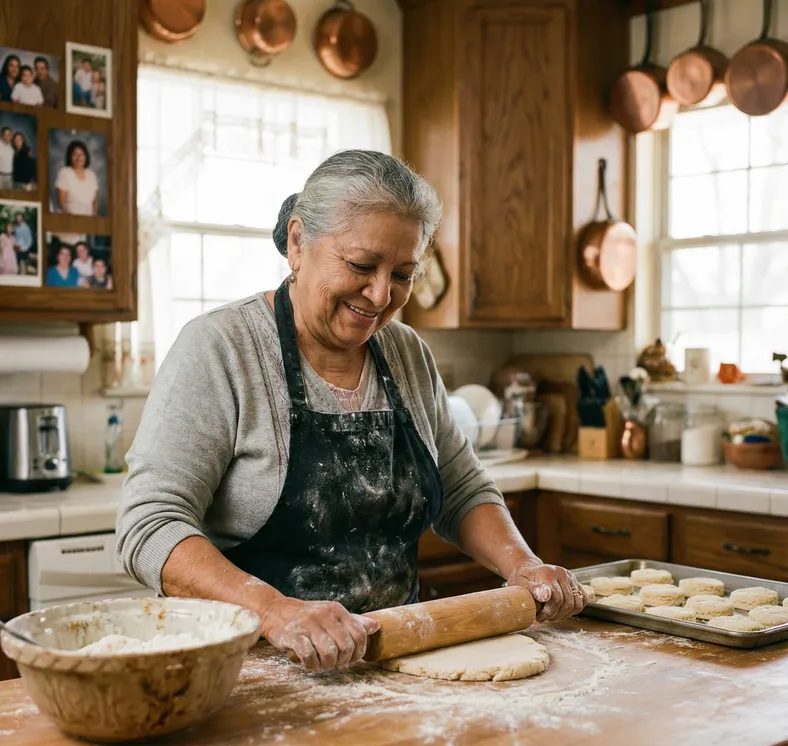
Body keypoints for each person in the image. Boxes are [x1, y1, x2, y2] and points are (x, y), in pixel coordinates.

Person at [117, 150, 587, 674]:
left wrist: (523, 566)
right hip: (249, 673)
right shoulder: (221, 349)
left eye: (404, 274)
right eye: (362, 266)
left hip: (396, 670)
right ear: (298, 243)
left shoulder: (406, 353)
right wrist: (276, 611)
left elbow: (461, 490)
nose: (381, 294)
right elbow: (150, 524)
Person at [54, 141, 99, 216]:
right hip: (69, 220)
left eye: (82, 154)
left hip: (89, 220)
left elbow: (95, 202)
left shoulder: (91, 175)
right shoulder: (64, 173)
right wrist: (75, 220)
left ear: (86, 156)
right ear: (70, 156)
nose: (79, 158)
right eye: (75, 155)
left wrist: (93, 218)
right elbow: (61, 202)